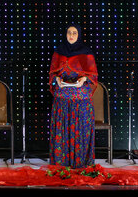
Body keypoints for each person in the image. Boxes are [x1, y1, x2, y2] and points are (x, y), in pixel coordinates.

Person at [49, 24, 98, 168]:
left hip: (80, 99)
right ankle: (61, 162)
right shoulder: (59, 52)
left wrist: (84, 79)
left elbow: (93, 76)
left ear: (79, 35)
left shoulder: (86, 53)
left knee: (80, 130)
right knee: (62, 130)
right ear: (65, 34)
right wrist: (56, 79)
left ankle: (80, 162)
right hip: (62, 98)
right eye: (69, 32)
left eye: (74, 33)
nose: (71, 35)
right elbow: (53, 74)